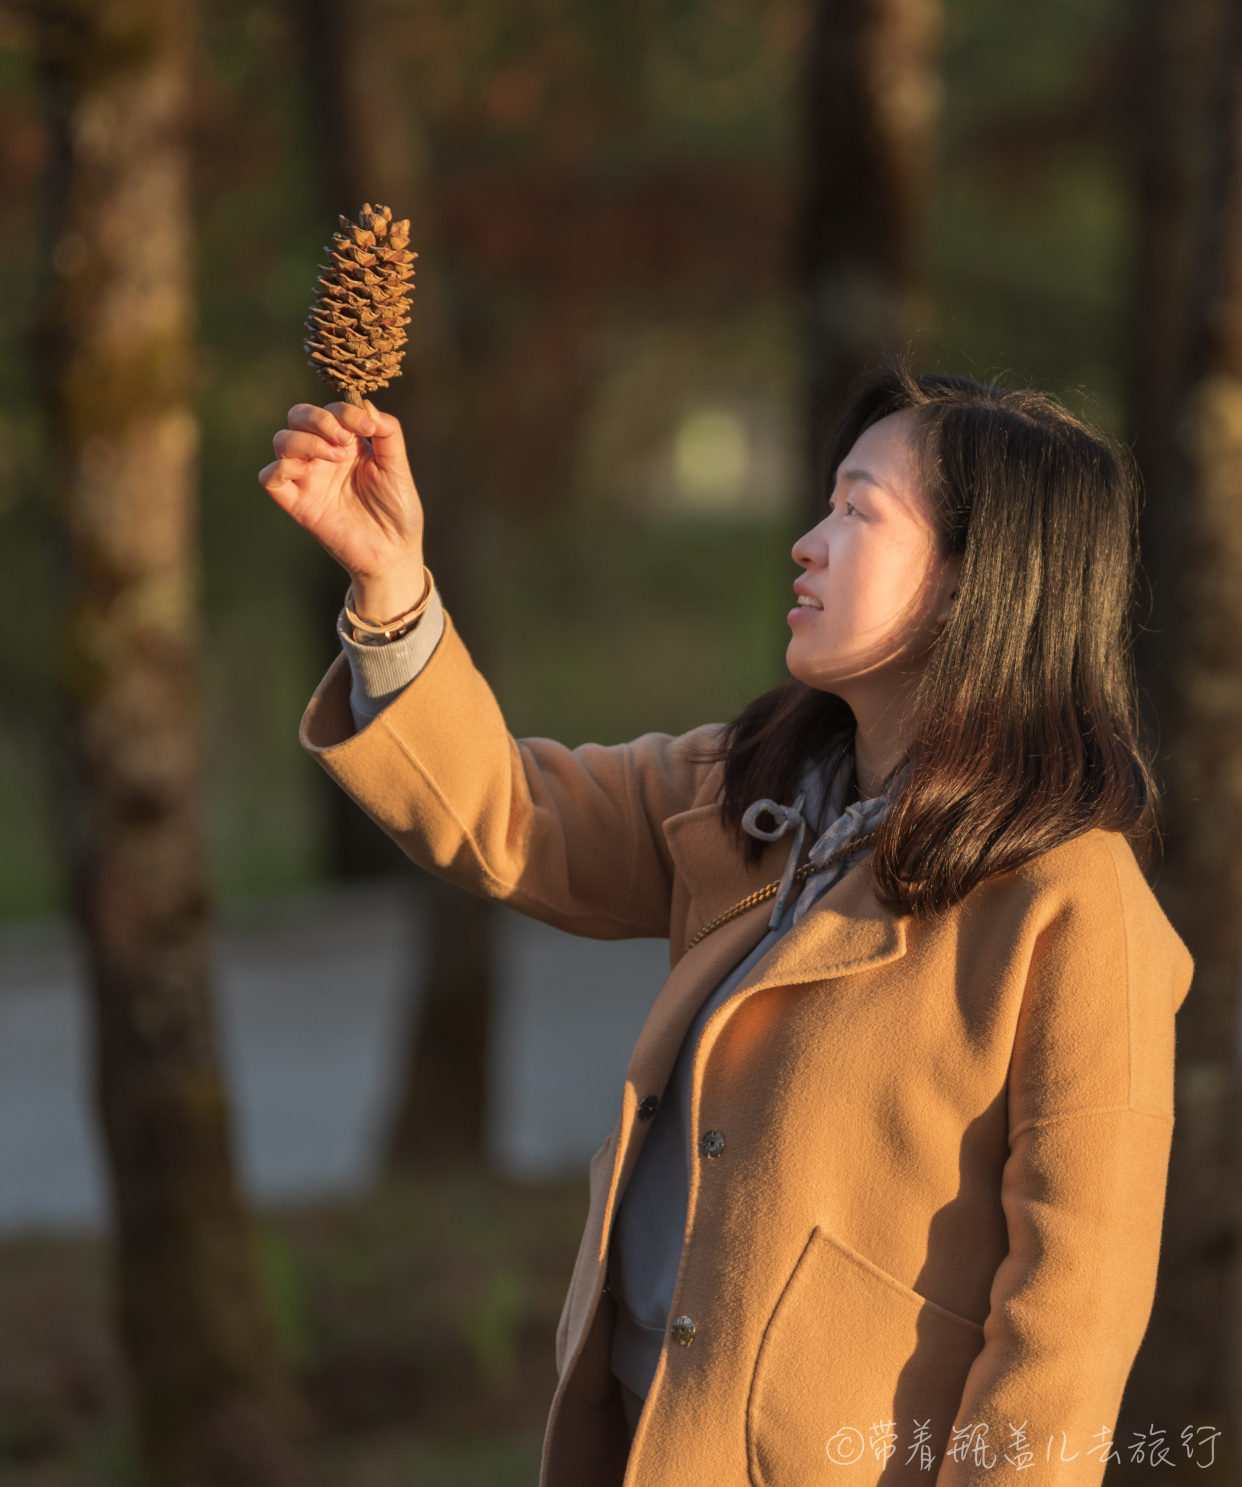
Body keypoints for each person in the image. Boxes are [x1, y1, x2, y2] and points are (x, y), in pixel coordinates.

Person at [261, 361, 1192, 1486]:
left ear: (973, 581)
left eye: (859, 511)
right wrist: (394, 588)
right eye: (825, 500)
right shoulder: (750, 782)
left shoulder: (1075, 902)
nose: (807, 540)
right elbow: (508, 814)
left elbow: (1070, 1323)